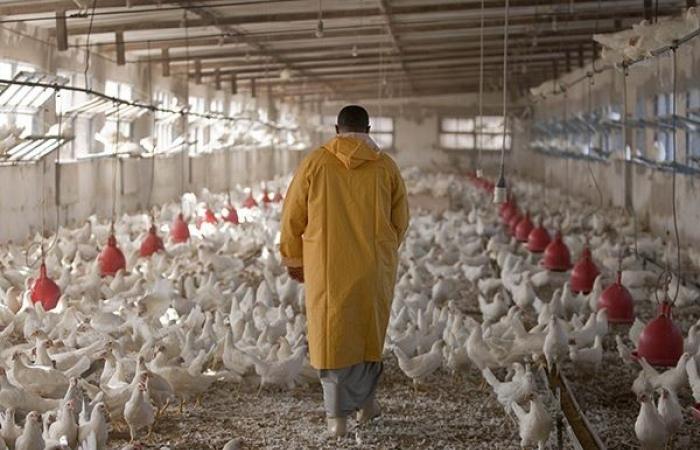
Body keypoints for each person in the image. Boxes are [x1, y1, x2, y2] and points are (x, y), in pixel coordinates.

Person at [280, 105, 409, 437]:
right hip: (372, 267)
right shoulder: (385, 166)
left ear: (337, 128)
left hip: (328, 267)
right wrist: (382, 252)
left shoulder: (316, 162)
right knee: (368, 331)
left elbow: (293, 215)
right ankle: (367, 406)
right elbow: (401, 220)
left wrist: (294, 258)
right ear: (368, 128)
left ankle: (336, 418)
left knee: (333, 334)